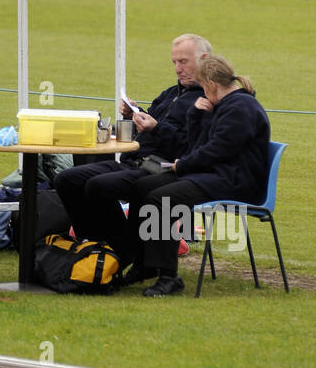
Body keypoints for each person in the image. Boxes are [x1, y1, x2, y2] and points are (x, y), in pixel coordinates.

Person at [115, 56, 271, 297]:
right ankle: (144, 263)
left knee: (160, 198)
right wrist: (196, 116)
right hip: (214, 175)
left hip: (236, 183)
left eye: (203, 86)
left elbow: (218, 149)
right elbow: (199, 146)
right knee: (142, 186)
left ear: (211, 84)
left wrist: (183, 165)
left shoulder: (241, 108)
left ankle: (168, 276)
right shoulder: (223, 105)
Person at [55, 33, 212, 252]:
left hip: (165, 169)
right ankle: (93, 246)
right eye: (174, 62)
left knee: (99, 186)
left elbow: (189, 149)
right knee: (66, 179)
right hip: (135, 162)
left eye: (183, 62)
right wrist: (134, 115)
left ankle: (124, 250)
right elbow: (156, 123)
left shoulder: (207, 101)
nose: (177, 68)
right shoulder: (171, 93)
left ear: (204, 59)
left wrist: (156, 128)